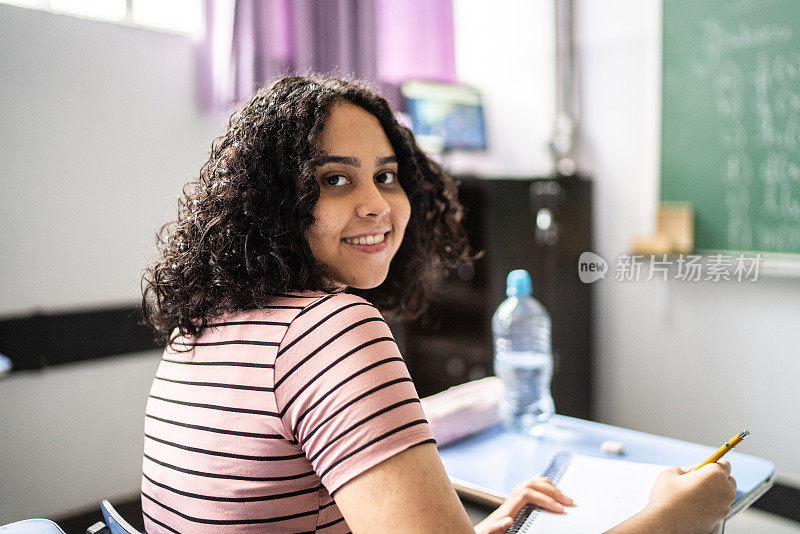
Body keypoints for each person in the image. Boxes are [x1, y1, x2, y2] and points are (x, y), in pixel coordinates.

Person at [140, 75, 736, 534]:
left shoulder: (203, 329)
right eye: (335, 179)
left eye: (387, 176)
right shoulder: (328, 329)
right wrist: (676, 517)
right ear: (271, 200)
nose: (378, 204)